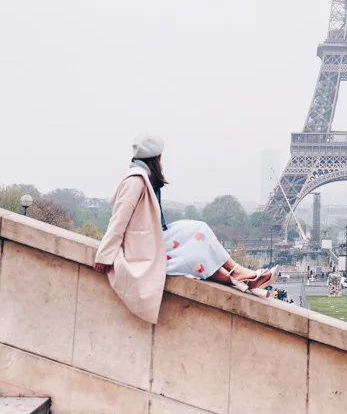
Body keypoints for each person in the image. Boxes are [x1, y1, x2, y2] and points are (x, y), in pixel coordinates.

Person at [93, 134, 276, 323]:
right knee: (195, 254)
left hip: (152, 239)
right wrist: (104, 256)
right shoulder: (136, 180)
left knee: (200, 230)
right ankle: (239, 277)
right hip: (144, 247)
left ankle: (239, 274)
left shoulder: (143, 176)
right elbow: (118, 220)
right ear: (156, 157)